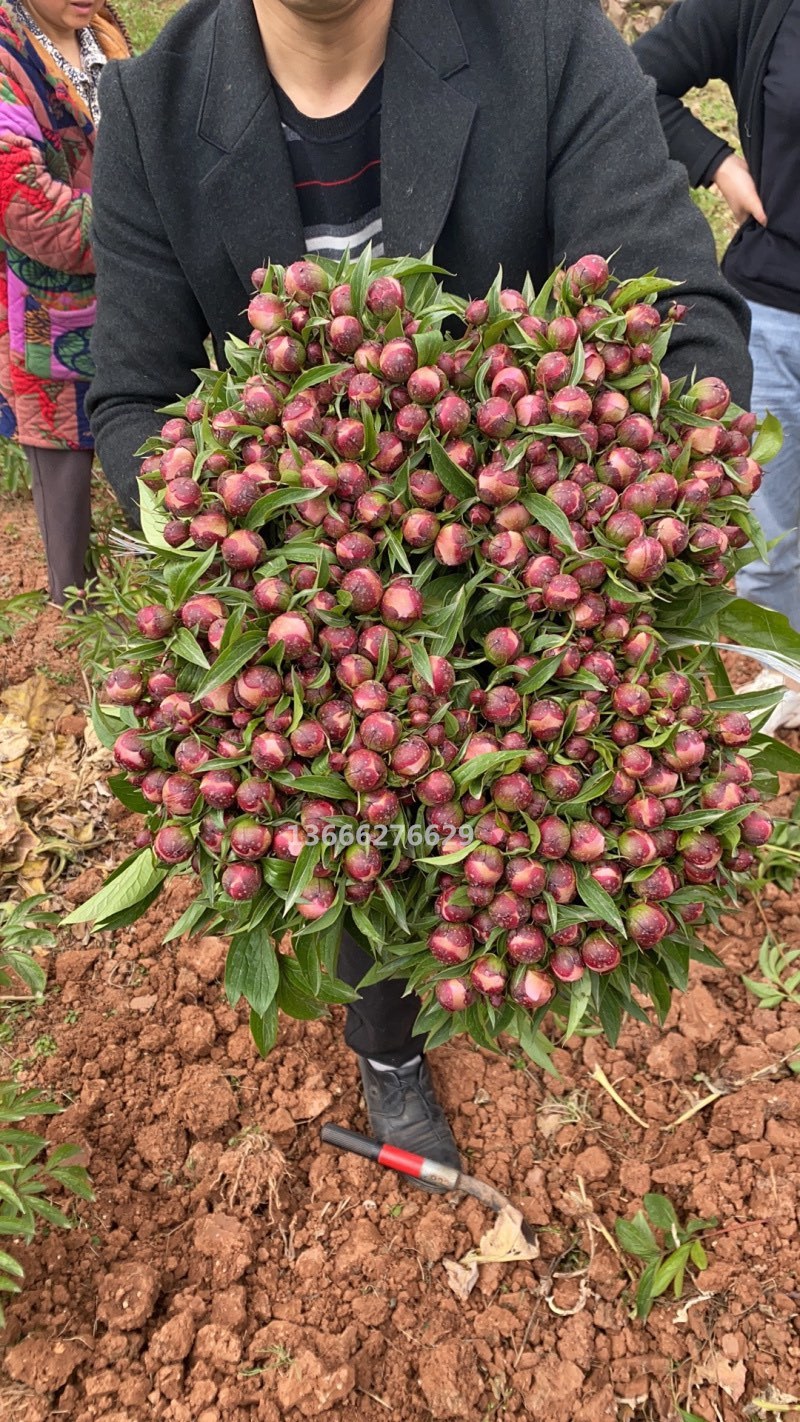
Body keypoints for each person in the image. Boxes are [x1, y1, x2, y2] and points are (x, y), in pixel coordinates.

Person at [87, 0, 752, 1180]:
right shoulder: (147, 108)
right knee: (348, 849)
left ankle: (449, 977)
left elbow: (677, 317)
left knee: (478, 834)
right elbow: (133, 401)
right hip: (308, 655)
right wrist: (253, 534)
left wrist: (634, 510)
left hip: (541, 622)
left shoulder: (546, 41)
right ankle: (386, 1045)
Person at [634, 0, 800, 734]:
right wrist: (722, 167)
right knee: (772, 535)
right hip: (779, 315)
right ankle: (790, 670)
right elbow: (639, 78)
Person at [0, 0, 129, 605]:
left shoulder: (103, 35)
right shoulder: (7, 56)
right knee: (64, 460)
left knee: (145, 426)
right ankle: (72, 609)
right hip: (49, 308)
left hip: (132, 294)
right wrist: (142, 231)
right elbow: (23, 202)